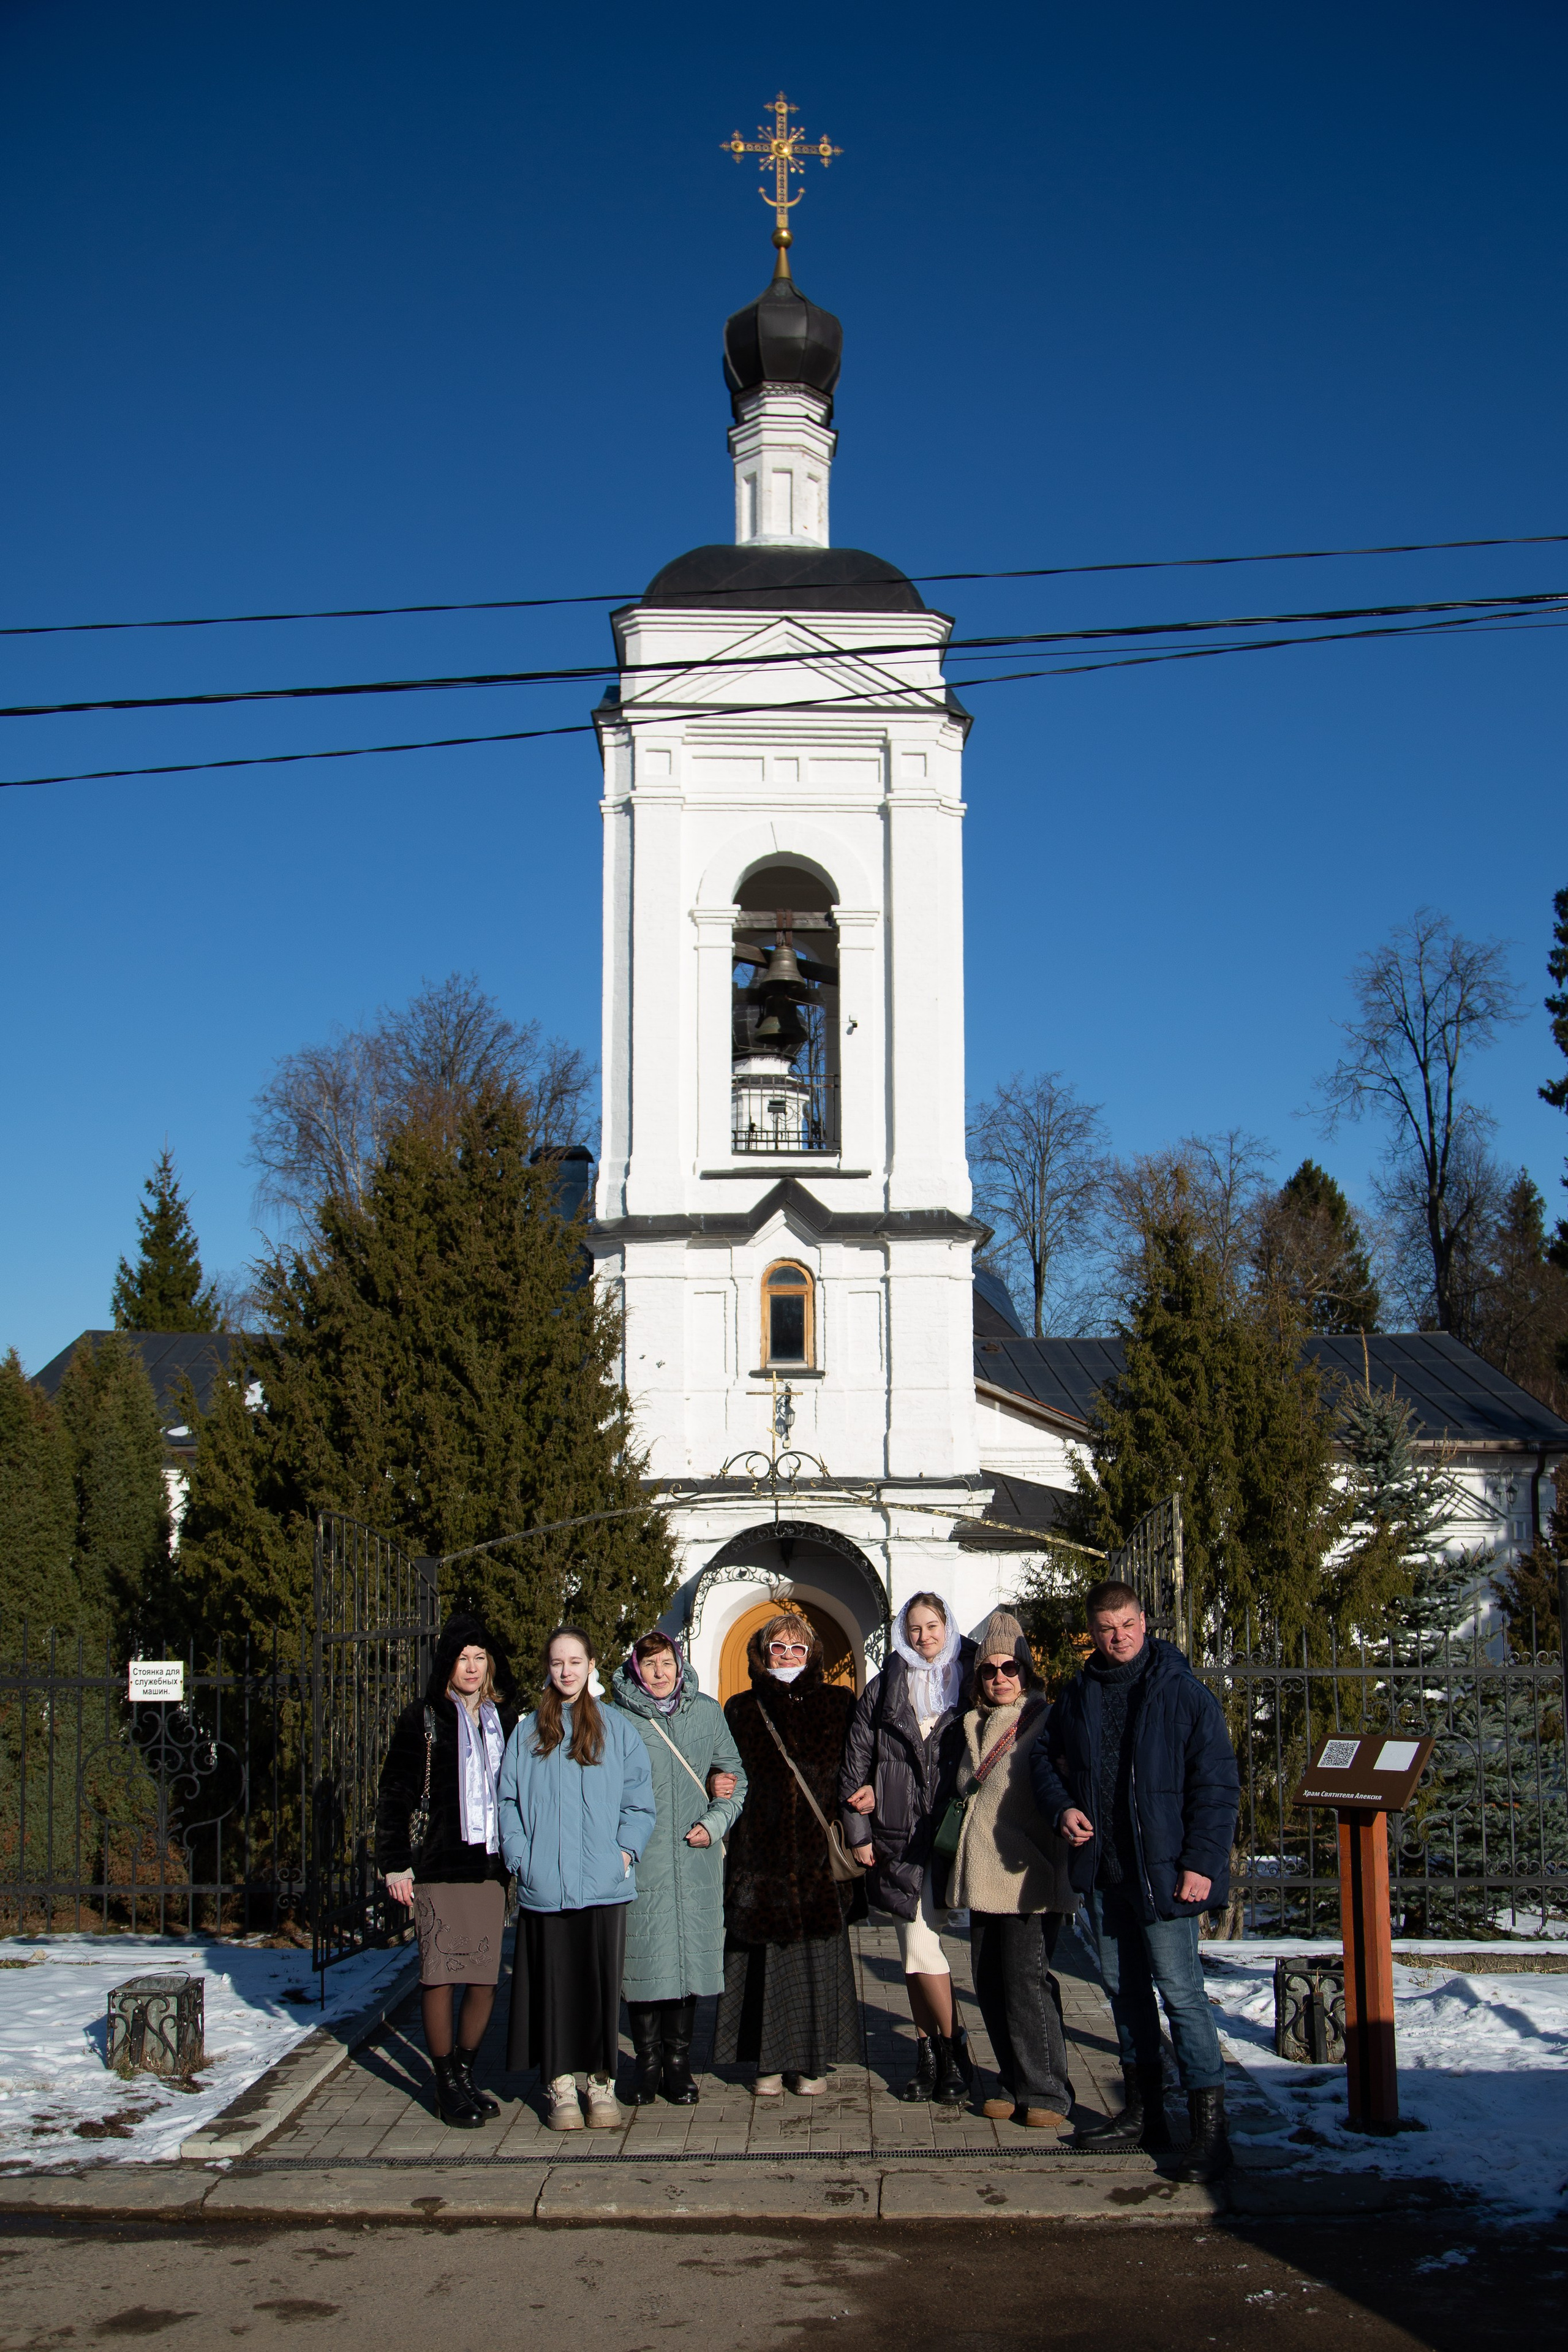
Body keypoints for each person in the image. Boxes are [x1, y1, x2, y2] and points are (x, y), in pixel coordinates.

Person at [1031, 1578, 1241, 2182]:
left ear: (1144, 1622)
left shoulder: (1181, 1692)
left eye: (1127, 1625)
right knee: (1124, 1994)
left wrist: (1202, 1863)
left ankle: (1210, 2132)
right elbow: (1043, 1760)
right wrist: (1062, 1808)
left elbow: (1216, 1784)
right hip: (1107, 1872)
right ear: (1092, 1633)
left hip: (1167, 1874)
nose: (1118, 1637)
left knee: (1181, 1995)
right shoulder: (1080, 1694)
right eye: (1106, 1629)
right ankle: (1146, 2115)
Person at [498, 1624, 655, 2133]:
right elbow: (508, 1801)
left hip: (604, 1885)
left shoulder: (616, 1729)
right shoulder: (528, 1732)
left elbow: (638, 1802)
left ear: (591, 1666)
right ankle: (560, 2085)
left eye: (574, 1662)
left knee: (599, 1989)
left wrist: (624, 1855)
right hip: (545, 1886)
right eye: (557, 1662)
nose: (566, 1671)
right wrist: (522, 1858)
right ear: (548, 1668)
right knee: (553, 1989)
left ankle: (601, 2083)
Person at [375, 1612, 520, 2128]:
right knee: (440, 1976)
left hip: (489, 1867)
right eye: (463, 1658)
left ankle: (464, 2074)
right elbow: (395, 1792)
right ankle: (442, 2084)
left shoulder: (504, 1719)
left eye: (480, 1657)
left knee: (483, 1978)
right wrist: (395, 1863)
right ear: (447, 1664)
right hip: (439, 1865)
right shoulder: (424, 1717)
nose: (473, 1667)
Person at [714, 1611, 867, 2096]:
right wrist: (717, 1781)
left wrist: (869, 1794)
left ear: (811, 1654)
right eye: (777, 1648)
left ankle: (811, 2064)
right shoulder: (741, 1708)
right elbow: (721, 1764)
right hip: (760, 1855)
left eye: (796, 1648)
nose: (786, 1656)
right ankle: (766, 2065)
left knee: (815, 1964)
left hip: (818, 1859)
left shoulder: (838, 1703)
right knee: (761, 1965)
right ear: (763, 1654)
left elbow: (860, 1763)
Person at [839, 1591, 976, 2105]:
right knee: (916, 1946)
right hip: (897, 1835)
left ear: (948, 1625)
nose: (924, 1637)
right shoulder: (884, 1687)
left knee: (921, 1950)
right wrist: (858, 1833)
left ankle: (940, 2049)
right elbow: (855, 1763)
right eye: (914, 1628)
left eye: (932, 1626)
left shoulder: (970, 1680)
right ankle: (944, 2051)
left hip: (950, 1834)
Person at [947, 1609, 1077, 2130]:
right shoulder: (973, 1723)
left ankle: (1046, 2089)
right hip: (983, 1875)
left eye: (1010, 1668)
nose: (1000, 1678)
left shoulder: (1044, 1721)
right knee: (990, 1981)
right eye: (989, 1669)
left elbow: (1064, 1783)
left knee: (1027, 1983)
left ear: (1026, 1671)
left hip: (1029, 1876)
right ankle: (1011, 2079)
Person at [610, 1629, 748, 2105]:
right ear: (636, 1669)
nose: (660, 1673)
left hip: (695, 1856)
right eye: (649, 1665)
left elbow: (734, 1776)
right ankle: (647, 2063)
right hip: (641, 1858)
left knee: (687, 1961)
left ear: (679, 1663)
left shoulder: (706, 1712)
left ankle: (679, 2064)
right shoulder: (618, 1718)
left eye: (666, 1663)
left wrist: (715, 1822)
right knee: (645, 1962)